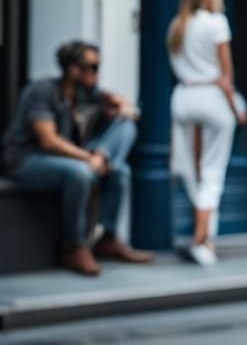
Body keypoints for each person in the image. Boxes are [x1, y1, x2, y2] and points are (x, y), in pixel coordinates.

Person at [1, 40, 155, 275]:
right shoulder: (42, 91)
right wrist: (87, 158)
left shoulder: (88, 94)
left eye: (98, 67)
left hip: (75, 157)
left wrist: (119, 106)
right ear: (73, 68)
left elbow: (130, 112)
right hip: (25, 159)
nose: (96, 72)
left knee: (121, 163)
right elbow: (49, 141)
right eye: (92, 67)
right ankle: (74, 246)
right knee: (80, 173)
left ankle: (108, 238)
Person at [167, 0, 247, 266]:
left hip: (184, 97)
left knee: (189, 169)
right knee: (212, 172)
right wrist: (236, 106)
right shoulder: (216, 23)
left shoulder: (178, 25)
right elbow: (226, 75)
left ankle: (206, 238)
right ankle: (200, 239)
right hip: (213, 98)